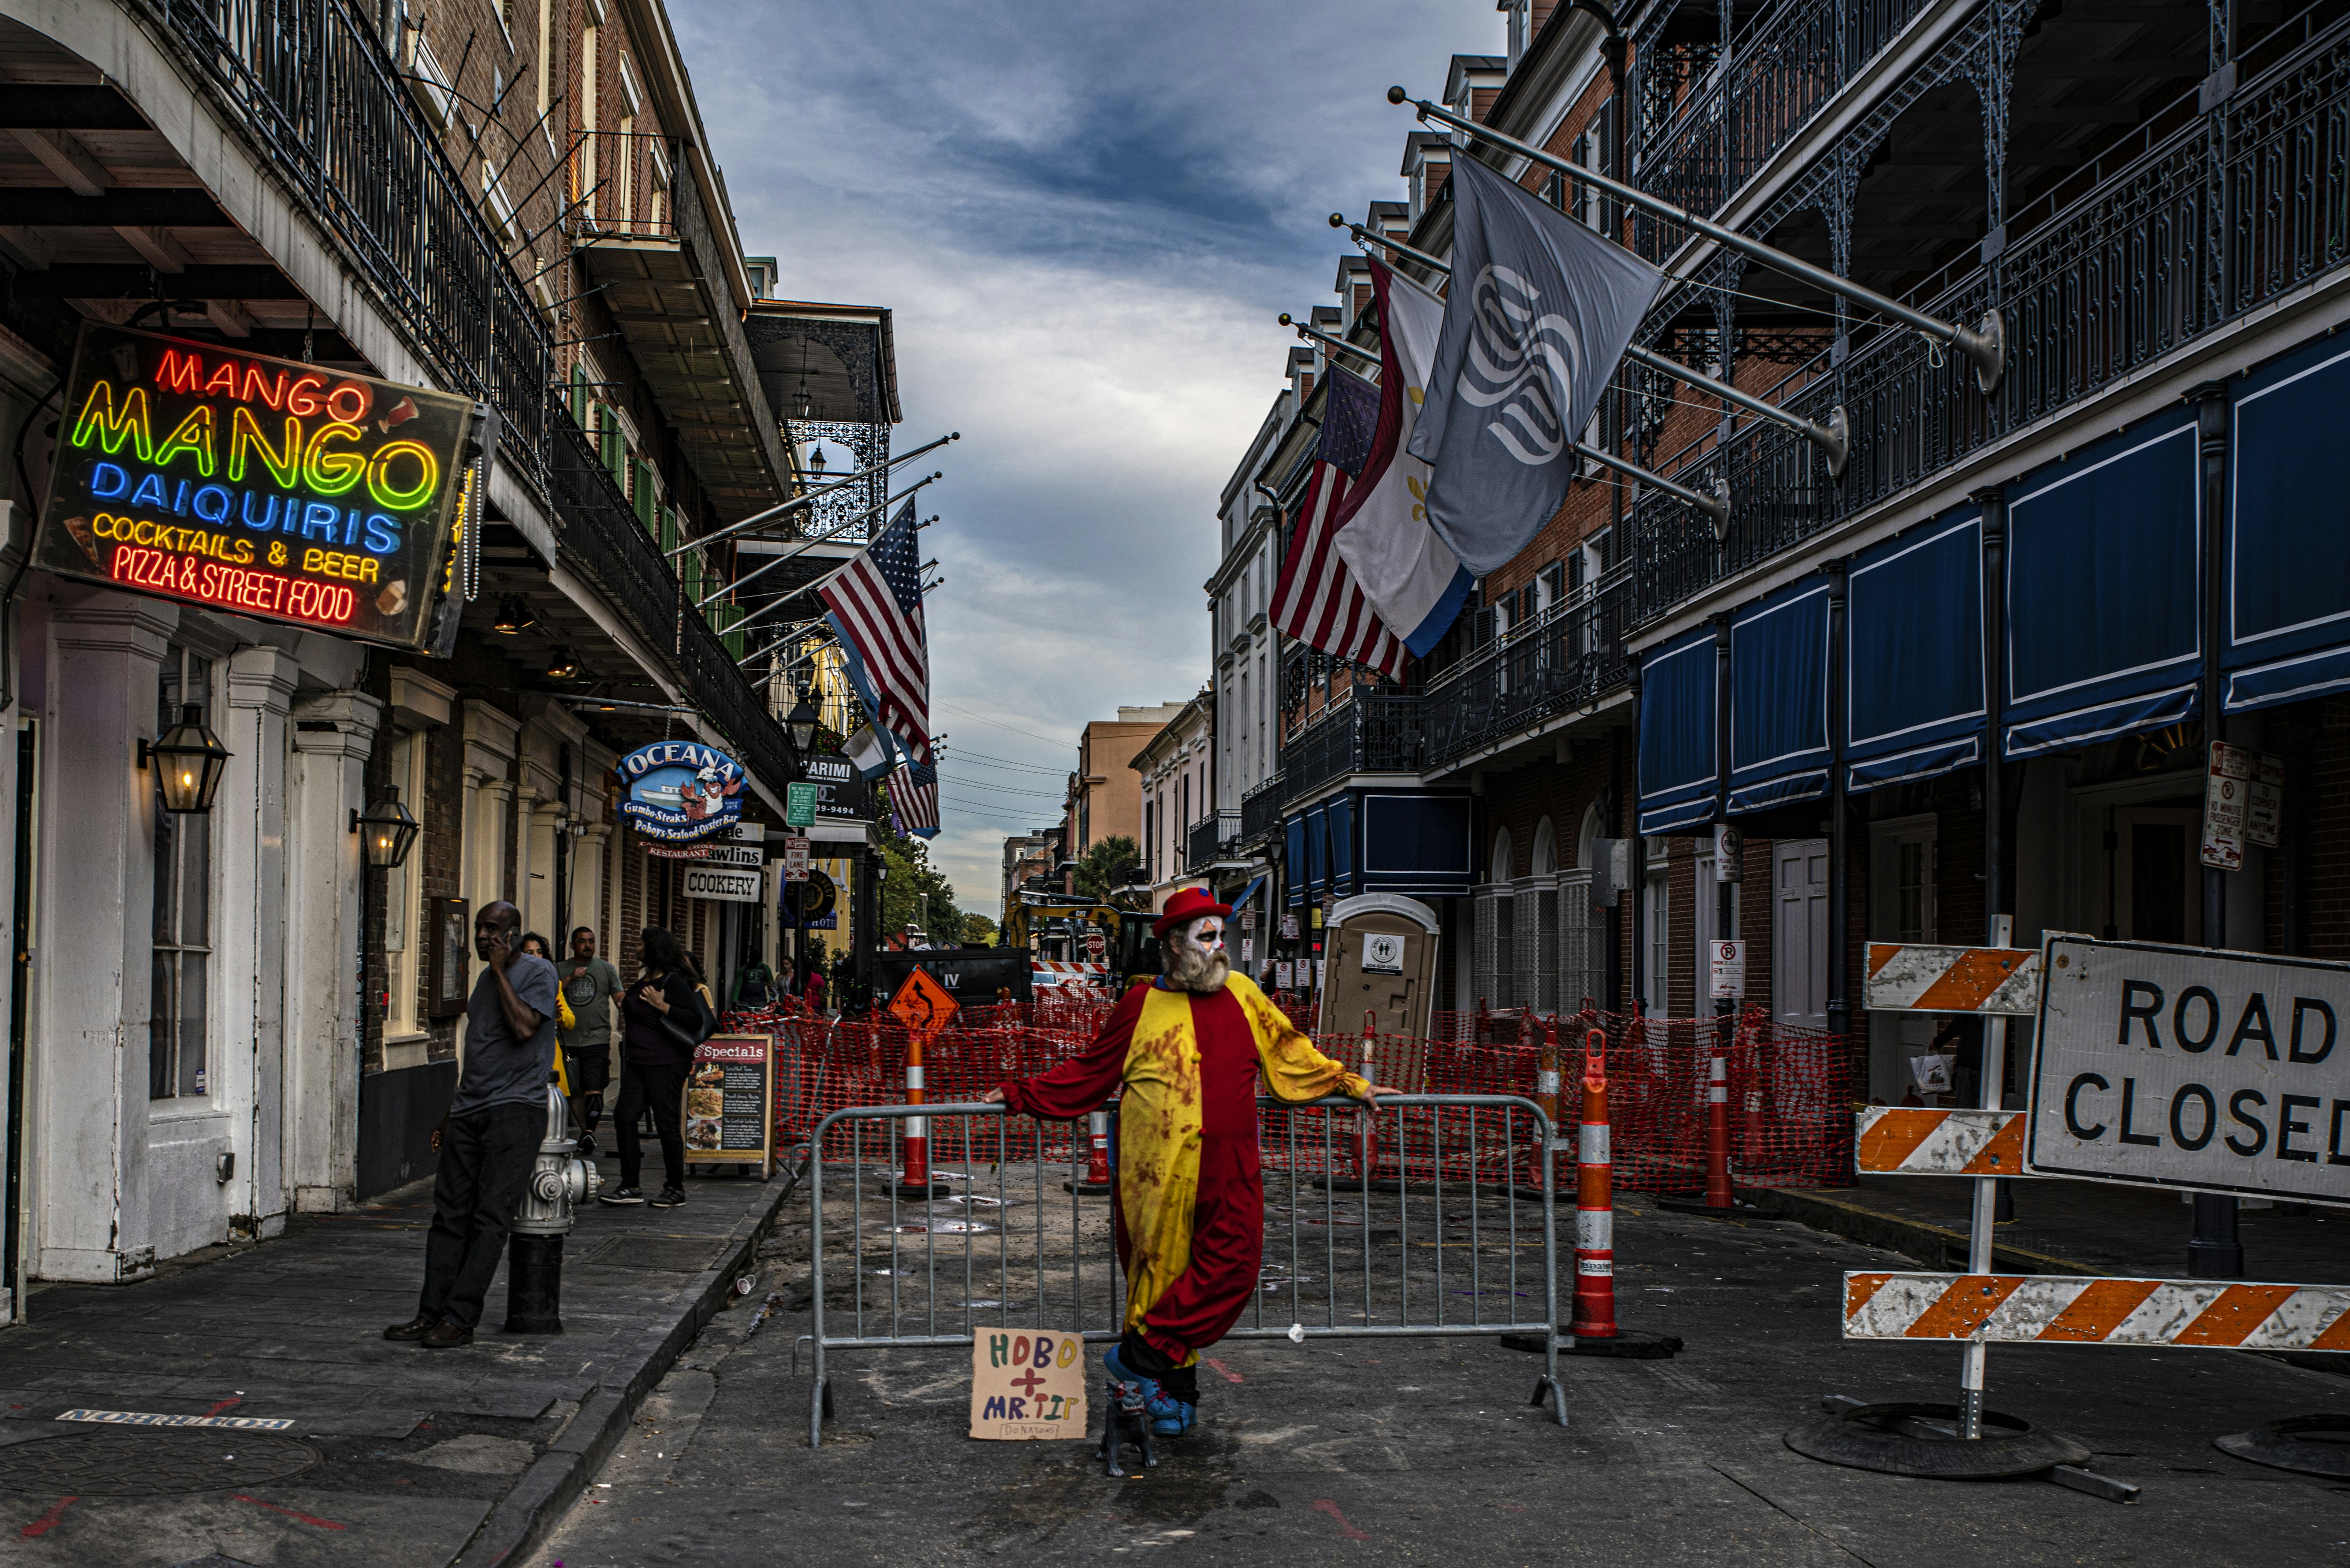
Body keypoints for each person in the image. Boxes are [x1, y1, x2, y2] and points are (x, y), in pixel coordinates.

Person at [983, 886, 1401, 1438]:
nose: (1219, 945)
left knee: (1235, 1263)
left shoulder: (1245, 995)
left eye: (1220, 935)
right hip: (1153, 1172)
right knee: (1158, 1276)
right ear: (1176, 945)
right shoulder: (1138, 1005)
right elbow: (1090, 1071)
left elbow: (1290, 1051)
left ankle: (1138, 1355)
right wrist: (1020, 1094)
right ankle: (1172, 1402)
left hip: (1230, 1165)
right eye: (1207, 936)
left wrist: (1349, 1083)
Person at [384, 901, 560, 1349]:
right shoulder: (484, 980)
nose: (483, 937)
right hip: (471, 1111)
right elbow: (480, 1053)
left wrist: (502, 971)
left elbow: (524, 1030)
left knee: (490, 1218)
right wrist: (451, 1113)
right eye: (481, 929)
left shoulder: (538, 973)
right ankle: (431, 1313)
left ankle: (461, 1319)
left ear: (515, 935)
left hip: (516, 1112)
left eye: (493, 930)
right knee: (449, 1216)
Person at [600, 926, 704, 1209]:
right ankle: (630, 1185)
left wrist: (663, 1006)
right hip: (638, 1063)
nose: (637, 949)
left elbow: (694, 1020)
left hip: (667, 1064)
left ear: (653, 948)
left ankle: (675, 1188)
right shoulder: (645, 979)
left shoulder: (674, 982)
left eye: (640, 944)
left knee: (667, 1124)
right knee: (624, 1117)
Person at [558, 927, 622, 1157]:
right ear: (573, 945)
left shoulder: (606, 970)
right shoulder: (560, 969)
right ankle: (586, 1131)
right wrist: (570, 978)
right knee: (576, 1090)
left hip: (597, 1038)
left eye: (591, 941)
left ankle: (589, 1131)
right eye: (583, 942)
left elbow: (619, 997)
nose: (588, 946)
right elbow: (551, 993)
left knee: (594, 1087)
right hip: (568, 1040)